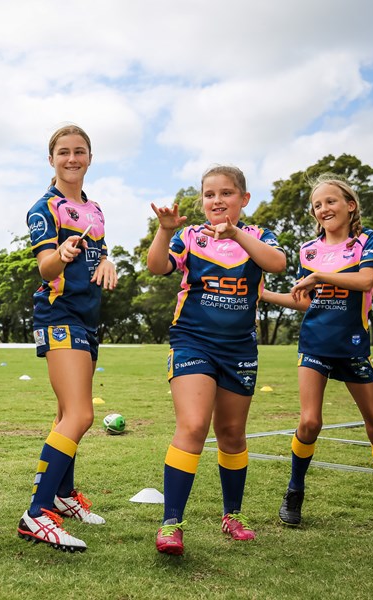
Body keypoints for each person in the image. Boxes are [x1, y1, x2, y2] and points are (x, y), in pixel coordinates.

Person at [146, 165, 286, 555]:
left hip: (240, 349)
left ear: (244, 199)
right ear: (201, 200)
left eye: (226, 193)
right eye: (209, 194)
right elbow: (157, 267)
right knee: (192, 425)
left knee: (231, 433)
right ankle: (171, 523)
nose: (217, 201)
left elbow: (277, 264)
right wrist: (165, 230)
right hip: (192, 343)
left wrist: (235, 234)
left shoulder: (258, 237)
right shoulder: (190, 237)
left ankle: (232, 515)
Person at [261, 173, 373, 530]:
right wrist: (264, 296)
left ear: (350, 205)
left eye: (330, 201)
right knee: (310, 422)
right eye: (317, 204)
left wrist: (320, 277)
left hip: (353, 347)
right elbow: (306, 303)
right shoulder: (308, 251)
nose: (323, 208)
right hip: (314, 345)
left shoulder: (366, 241)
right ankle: (294, 491)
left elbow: (366, 281)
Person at [16, 124, 118, 553]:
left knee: (65, 415)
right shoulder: (45, 208)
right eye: (63, 152)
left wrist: (108, 259)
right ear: (51, 159)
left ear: (90, 158)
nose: (72, 158)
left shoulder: (94, 209)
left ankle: (62, 495)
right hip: (60, 316)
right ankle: (37, 513)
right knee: (80, 415)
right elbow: (44, 269)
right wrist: (62, 255)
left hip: (88, 319)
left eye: (79, 151)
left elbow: (99, 249)